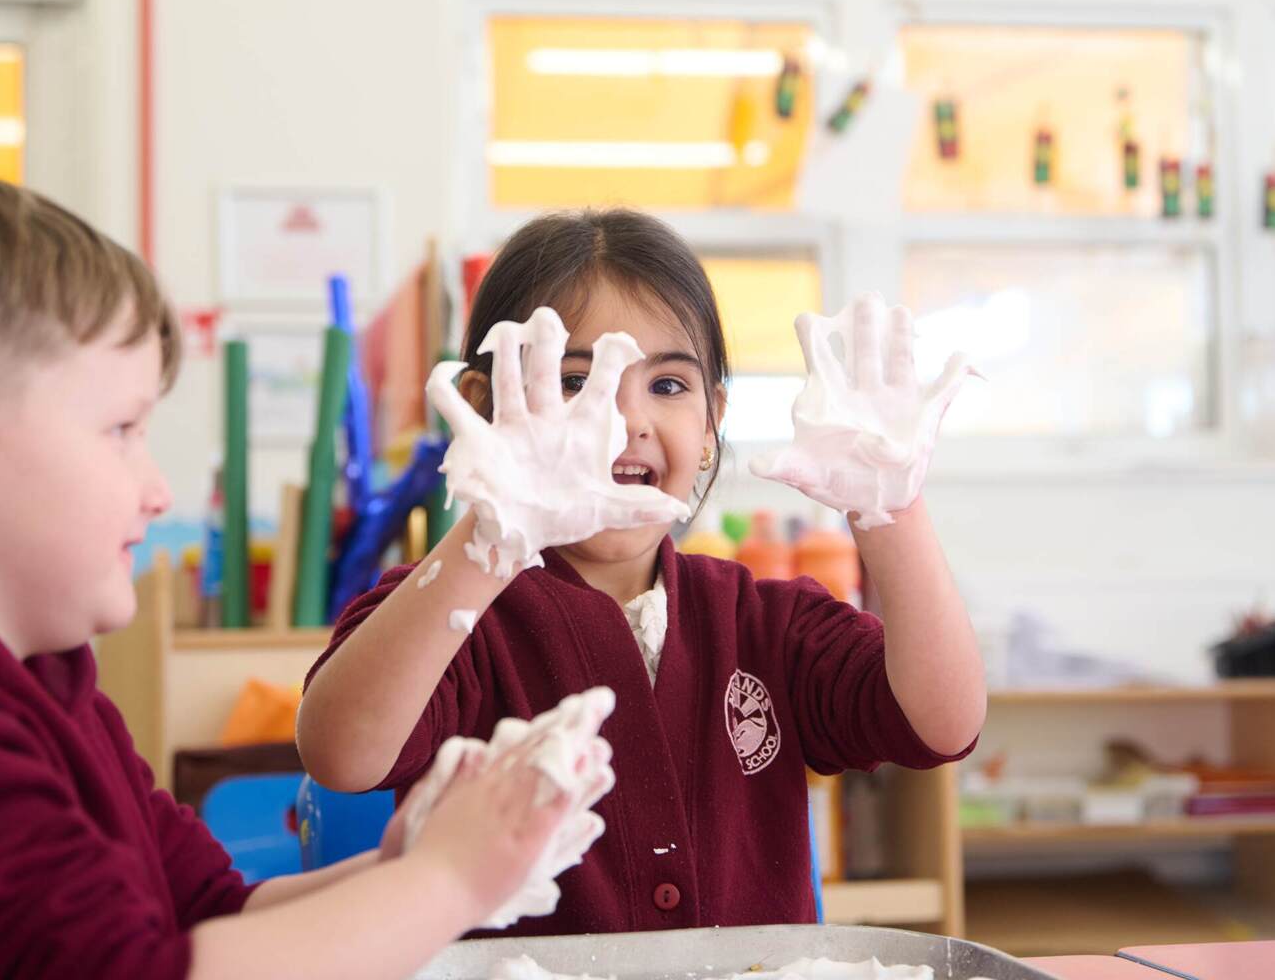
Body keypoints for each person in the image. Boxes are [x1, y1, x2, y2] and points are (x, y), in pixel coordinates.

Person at [0, 171, 568, 979]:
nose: (157, 491)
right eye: (121, 430)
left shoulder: (35, 683)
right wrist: (450, 880)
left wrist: (408, 866)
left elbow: (207, 911)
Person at [298, 207, 986, 936]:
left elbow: (941, 723)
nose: (628, 419)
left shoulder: (763, 622)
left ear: (713, 418)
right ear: (482, 408)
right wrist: (485, 543)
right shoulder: (453, 618)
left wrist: (892, 511)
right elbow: (342, 754)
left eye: (667, 386)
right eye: (573, 382)